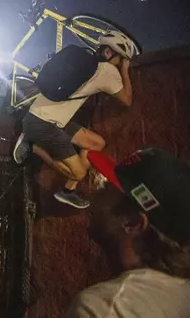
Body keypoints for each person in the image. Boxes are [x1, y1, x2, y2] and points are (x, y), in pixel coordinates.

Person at [58, 148, 190, 318]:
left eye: (106, 188)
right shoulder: (187, 296)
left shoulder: (103, 316)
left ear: (133, 223)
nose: (95, 195)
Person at [13, 31, 135, 208]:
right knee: (79, 173)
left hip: (45, 117)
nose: (120, 62)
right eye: (121, 58)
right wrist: (125, 70)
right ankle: (32, 145)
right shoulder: (107, 71)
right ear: (110, 53)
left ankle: (67, 191)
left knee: (97, 143)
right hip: (43, 125)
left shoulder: (81, 58)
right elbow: (127, 100)